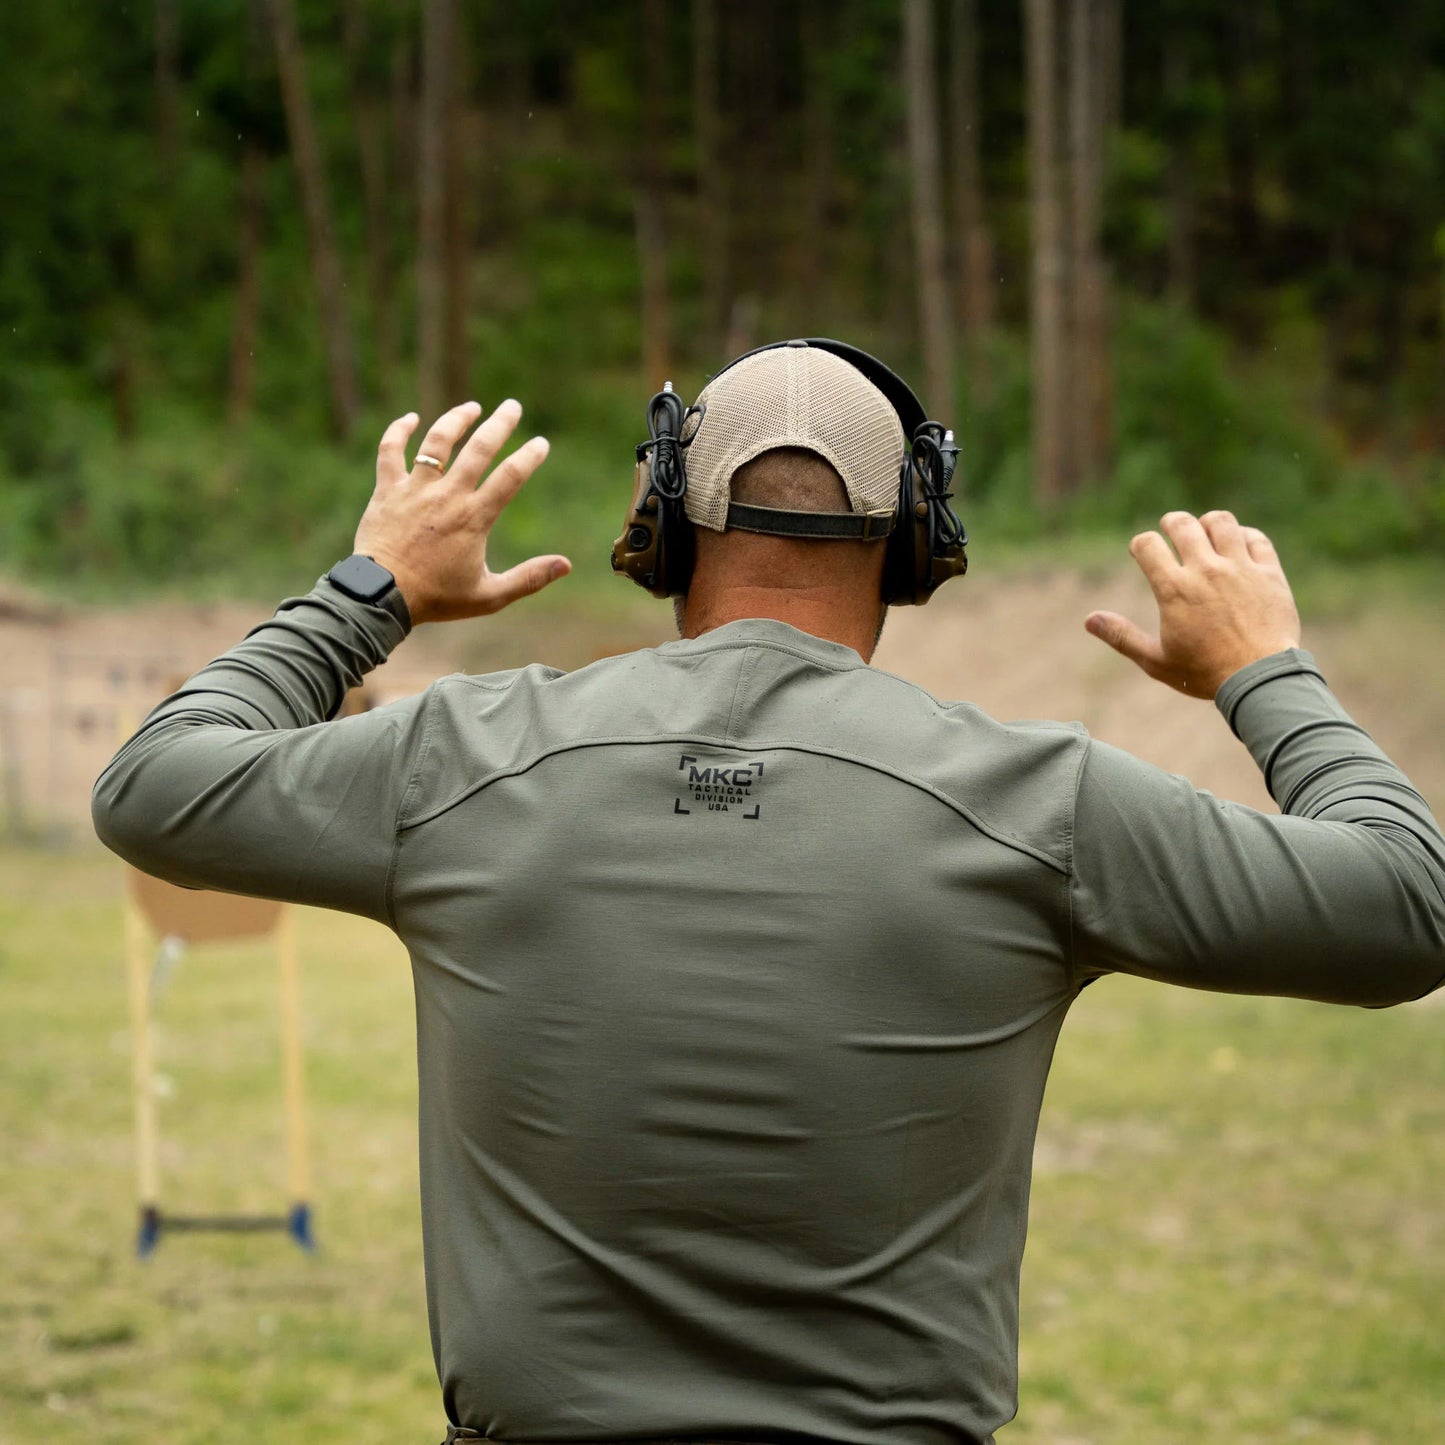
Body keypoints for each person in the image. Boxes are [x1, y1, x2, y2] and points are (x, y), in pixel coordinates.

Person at [93, 342, 1445, 1445]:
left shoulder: (462, 756)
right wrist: (1262, 671)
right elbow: (1406, 904)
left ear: (663, 528)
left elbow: (152, 784)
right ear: (918, 540)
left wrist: (367, 592)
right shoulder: (1041, 802)